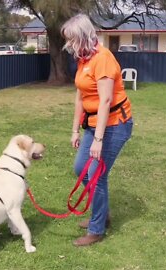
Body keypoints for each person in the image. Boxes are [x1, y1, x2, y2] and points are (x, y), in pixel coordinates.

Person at [61, 14, 133, 246]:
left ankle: (97, 229)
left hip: (115, 124)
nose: (69, 45)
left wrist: (98, 140)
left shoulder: (103, 59)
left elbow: (105, 101)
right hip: (94, 124)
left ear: (82, 36)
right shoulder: (84, 59)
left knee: (96, 175)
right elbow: (80, 97)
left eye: (71, 40)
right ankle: (102, 214)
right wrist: (75, 131)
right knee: (81, 167)